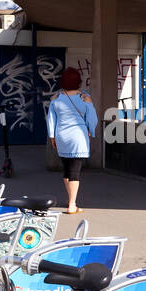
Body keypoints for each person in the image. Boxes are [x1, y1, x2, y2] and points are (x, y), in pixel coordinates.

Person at [45, 67, 97, 214]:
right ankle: (72, 205)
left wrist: (52, 137)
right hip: (78, 137)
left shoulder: (57, 99)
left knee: (67, 170)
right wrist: (90, 131)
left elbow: (51, 119)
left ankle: (70, 199)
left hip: (62, 136)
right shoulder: (85, 98)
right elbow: (92, 119)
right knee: (75, 172)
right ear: (78, 82)